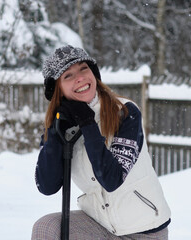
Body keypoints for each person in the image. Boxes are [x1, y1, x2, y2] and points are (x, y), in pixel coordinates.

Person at [31, 45, 171, 239]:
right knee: (46, 227)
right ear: (58, 89)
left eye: (83, 68)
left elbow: (111, 179)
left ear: (94, 73)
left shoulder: (125, 112)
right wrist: (55, 133)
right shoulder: (63, 124)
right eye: (68, 76)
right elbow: (47, 186)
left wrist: (88, 124)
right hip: (100, 224)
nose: (80, 77)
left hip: (144, 230)